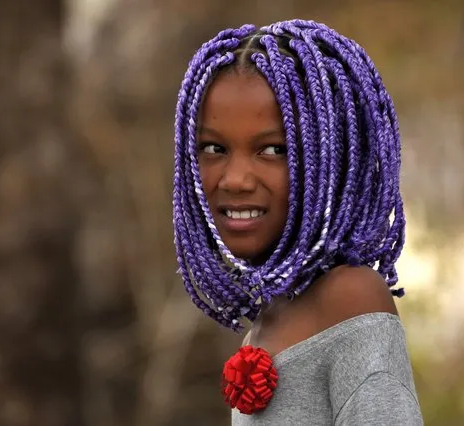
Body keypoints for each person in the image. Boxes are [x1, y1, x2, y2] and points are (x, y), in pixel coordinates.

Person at [172, 19, 423, 425]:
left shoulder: (350, 298)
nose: (234, 179)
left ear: (331, 160)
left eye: (272, 149)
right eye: (213, 148)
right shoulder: (265, 322)